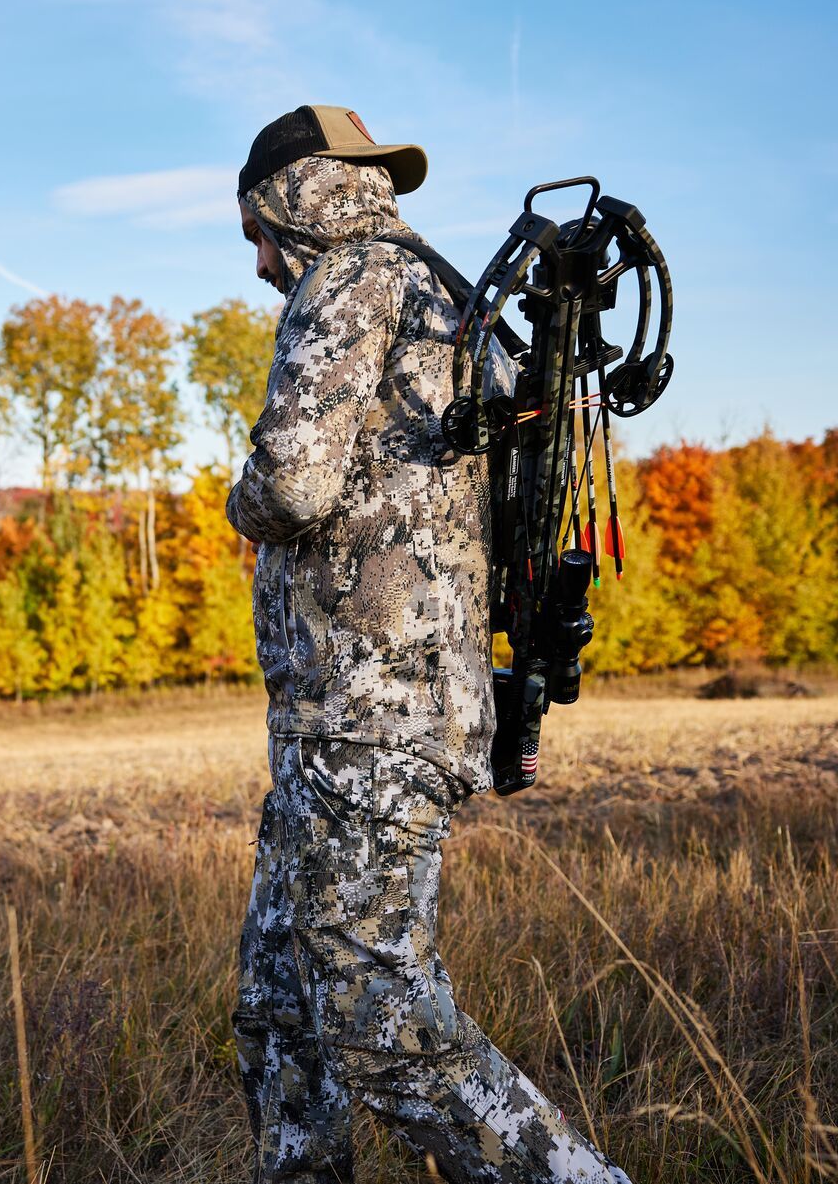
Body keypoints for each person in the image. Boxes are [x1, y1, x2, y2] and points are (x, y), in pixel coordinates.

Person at [226, 108, 630, 1183]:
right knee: (280, 1006)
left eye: (256, 232)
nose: (260, 262)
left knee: (375, 1016)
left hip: (371, 722)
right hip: (348, 725)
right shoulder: (442, 292)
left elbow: (293, 483)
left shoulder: (349, 282)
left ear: (289, 201)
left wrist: (239, 499)